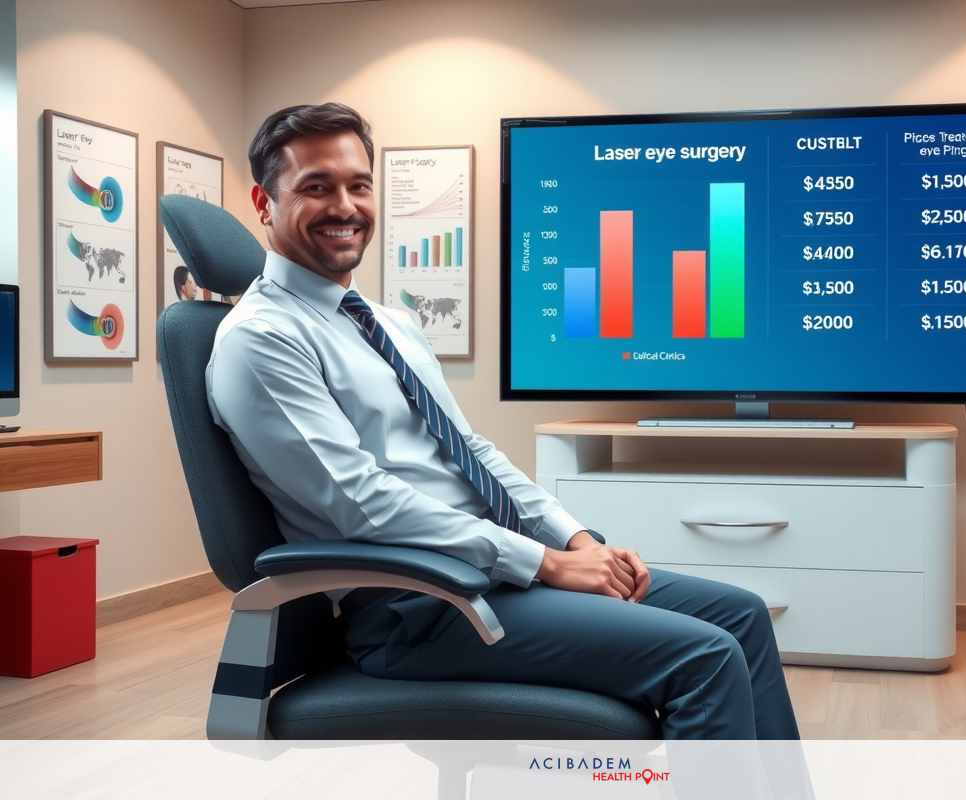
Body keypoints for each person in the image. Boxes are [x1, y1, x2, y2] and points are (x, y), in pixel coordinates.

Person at [206, 103, 801, 743]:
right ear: (264, 203)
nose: (345, 205)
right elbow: (361, 505)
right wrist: (543, 563)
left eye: (359, 184)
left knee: (740, 616)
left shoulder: (389, 322)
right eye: (316, 187)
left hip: (495, 574)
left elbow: (471, 453)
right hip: (421, 604)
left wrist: (575, 542)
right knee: (704, 659)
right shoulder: (261, 338)